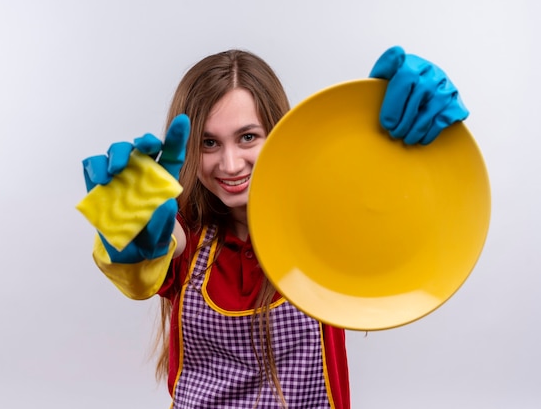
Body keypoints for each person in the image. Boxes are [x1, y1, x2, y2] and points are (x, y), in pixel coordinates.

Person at [80, 46, 468, 408]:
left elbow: (394, 205)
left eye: (248, 137)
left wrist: (403, 136)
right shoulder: (185, 232)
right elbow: (155, 256)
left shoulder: (326, 221)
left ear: (279, 132)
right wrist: (127, 242)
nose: (230, 165)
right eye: (209, 142)